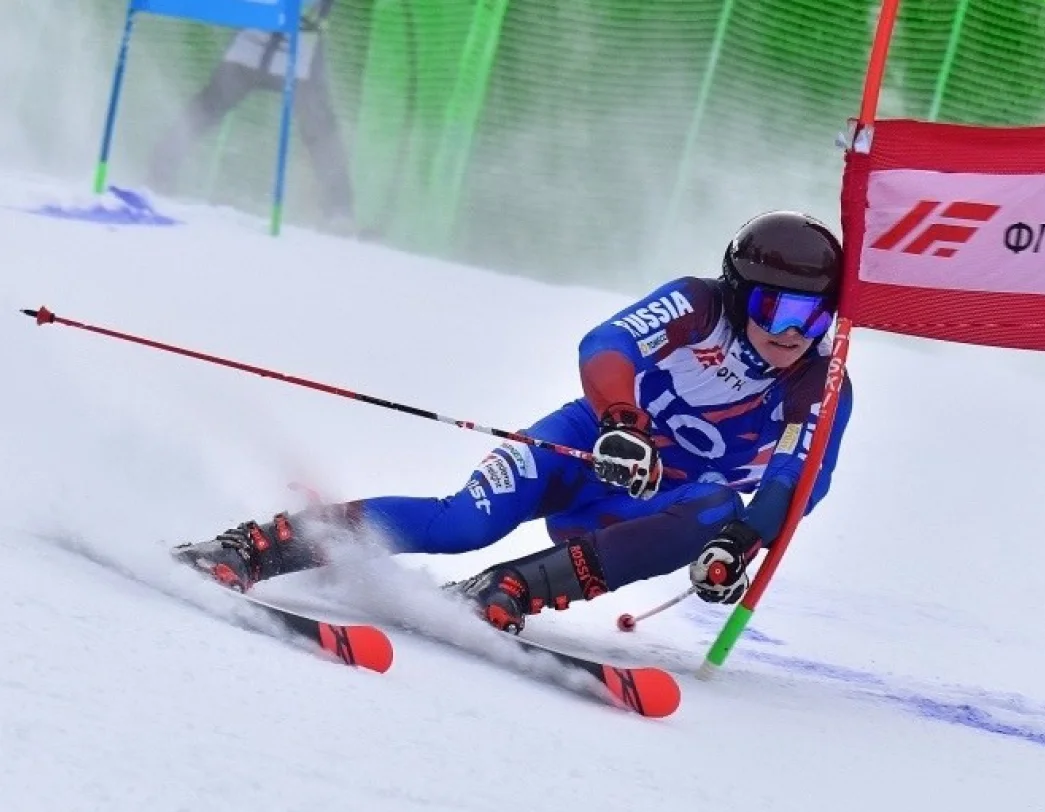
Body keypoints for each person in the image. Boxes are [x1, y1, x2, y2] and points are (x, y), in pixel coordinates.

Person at [173, 211, 855, 633]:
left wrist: (739, 543)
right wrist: (620, 423)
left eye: (814, 315)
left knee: (719, 508)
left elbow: (800, 479)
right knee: (464, 524)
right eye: (774, 309)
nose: (792, 332)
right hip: (586, 450)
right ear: (738, 295)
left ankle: (509, 590)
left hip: (642, 509)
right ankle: (256, 546)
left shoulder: (819, 381)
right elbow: (607, 343)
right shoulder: (697, 306)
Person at [147, 0, 355, 229]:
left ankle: (340, 210)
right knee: (209, 104)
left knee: (320, 126)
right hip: (252, 42)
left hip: (300, 49)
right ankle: (159, 173)